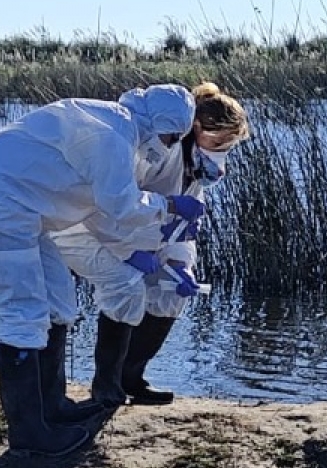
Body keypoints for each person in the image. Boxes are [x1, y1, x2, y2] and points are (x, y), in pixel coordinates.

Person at [0, 85, 206, 456]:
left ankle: (53, 407)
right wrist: (169, 206)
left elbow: (94, 205)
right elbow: (120, 205)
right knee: (20, 314)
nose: (167, 145)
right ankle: (29, 433)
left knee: (58, 304)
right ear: (161, 124)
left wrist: (138, 247)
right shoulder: (111, 135)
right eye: (170, 136)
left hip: (25, 213)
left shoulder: (118, 129)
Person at [52, 82, 251, 407]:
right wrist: (128, 252)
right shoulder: (155, 150)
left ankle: (132, 375)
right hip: (88, 228)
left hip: (138, 238)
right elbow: (111, 204)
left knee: (171, 294)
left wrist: (179, 262)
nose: (221, 152)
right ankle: (106, 385)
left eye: (229, 145)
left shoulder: (193, 166)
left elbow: (179, 229)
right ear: (196, 127)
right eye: (218, 142)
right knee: (124, 287)